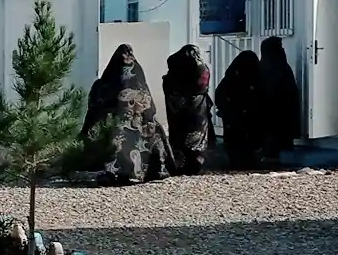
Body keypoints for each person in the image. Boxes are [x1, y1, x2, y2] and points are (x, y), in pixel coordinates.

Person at [82, 44, 173, 184]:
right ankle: (152, 168)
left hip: (115, 127)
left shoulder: (105, 83)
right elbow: (150, 107)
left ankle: (112, 171)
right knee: (154, 129)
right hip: (138, 127)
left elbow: (94, 106)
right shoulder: (138, 78)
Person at [161, 45, 216, 175]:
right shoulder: (200, 68)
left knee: (181, 135)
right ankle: (196, 161)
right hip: (198, 109)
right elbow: (201, 85)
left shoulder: (177, 71)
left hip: (179, 111)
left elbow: (169, 86)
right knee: (196, 135)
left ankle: (181, 163)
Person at [215, 51, 264, 171]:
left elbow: (220, 95)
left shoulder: (232, 76)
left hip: (233, 118)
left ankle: (237, 163)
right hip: (244, 118)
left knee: (234, 142)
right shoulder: (255, 78)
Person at [256, 35, 302, 164]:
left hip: (269, 110)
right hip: (283, 110)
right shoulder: (282, 66)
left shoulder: (264, 66)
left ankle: (270, 158)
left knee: (271, 135)